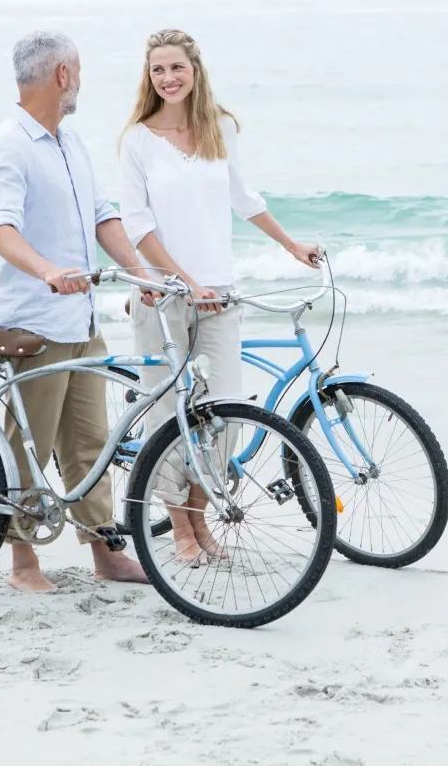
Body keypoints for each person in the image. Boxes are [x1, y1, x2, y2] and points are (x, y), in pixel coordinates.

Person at [117, 28, 321, 565]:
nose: (168, 78)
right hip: (163, 293)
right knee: (168, 413)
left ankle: (202, 517)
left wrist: (291, 244)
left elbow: (243, 198)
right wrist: (185, 281)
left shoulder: (220, 128)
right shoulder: (138, 138)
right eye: (158, 70)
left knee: (223, 412)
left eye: (176, 68)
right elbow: (137, 227)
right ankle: (181, 529)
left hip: (219, 291)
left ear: (195, 69)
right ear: (149, 75)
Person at [0, 30, 152, 591]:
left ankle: (105, 552)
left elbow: (102, 215)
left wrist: (142, 272)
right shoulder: (9, 145)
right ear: (61, 76)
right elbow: (0, 229)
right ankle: (23, 564)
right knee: (29, 444)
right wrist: (47, 270)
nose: (81, 80)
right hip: (35, 323)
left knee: (89, 443)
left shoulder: (69, 142)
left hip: (82, 322)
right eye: (79, 69)